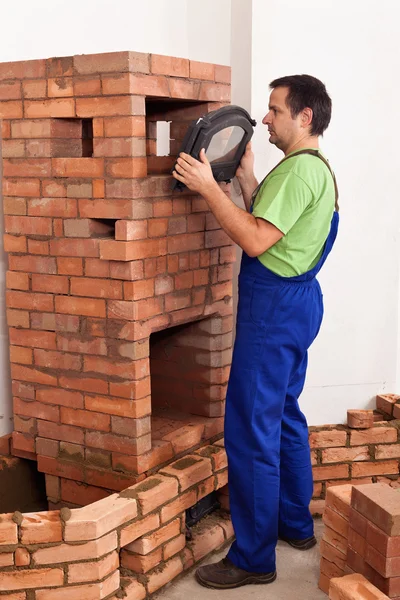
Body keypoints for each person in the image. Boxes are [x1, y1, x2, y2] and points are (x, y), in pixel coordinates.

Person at [172, 74, 339, 589]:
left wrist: (205, 188)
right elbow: (273, 219)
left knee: (250, 430)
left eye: (274, 110)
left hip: (273, 314)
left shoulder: (296, 173)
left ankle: (253, 557)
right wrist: (246, 179)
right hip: (301, 303)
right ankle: (295, 525)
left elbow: (255, 239)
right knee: (284, 414)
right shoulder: (313, 169)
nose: (264, 118)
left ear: (303, 117)